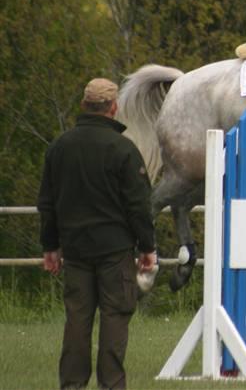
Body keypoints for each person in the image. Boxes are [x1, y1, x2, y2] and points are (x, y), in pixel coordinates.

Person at [37, 78, 157, 390]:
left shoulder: (59, 147)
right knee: (115, 317)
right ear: (114, 108)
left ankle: (72, 384)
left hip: (75, 250)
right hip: (115, 251)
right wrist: (147, 247)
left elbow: (47, 203)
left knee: (77, 319)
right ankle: (112, 384)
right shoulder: (123, 149)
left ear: (83, 105)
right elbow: (138, 205)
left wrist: (51, 246)